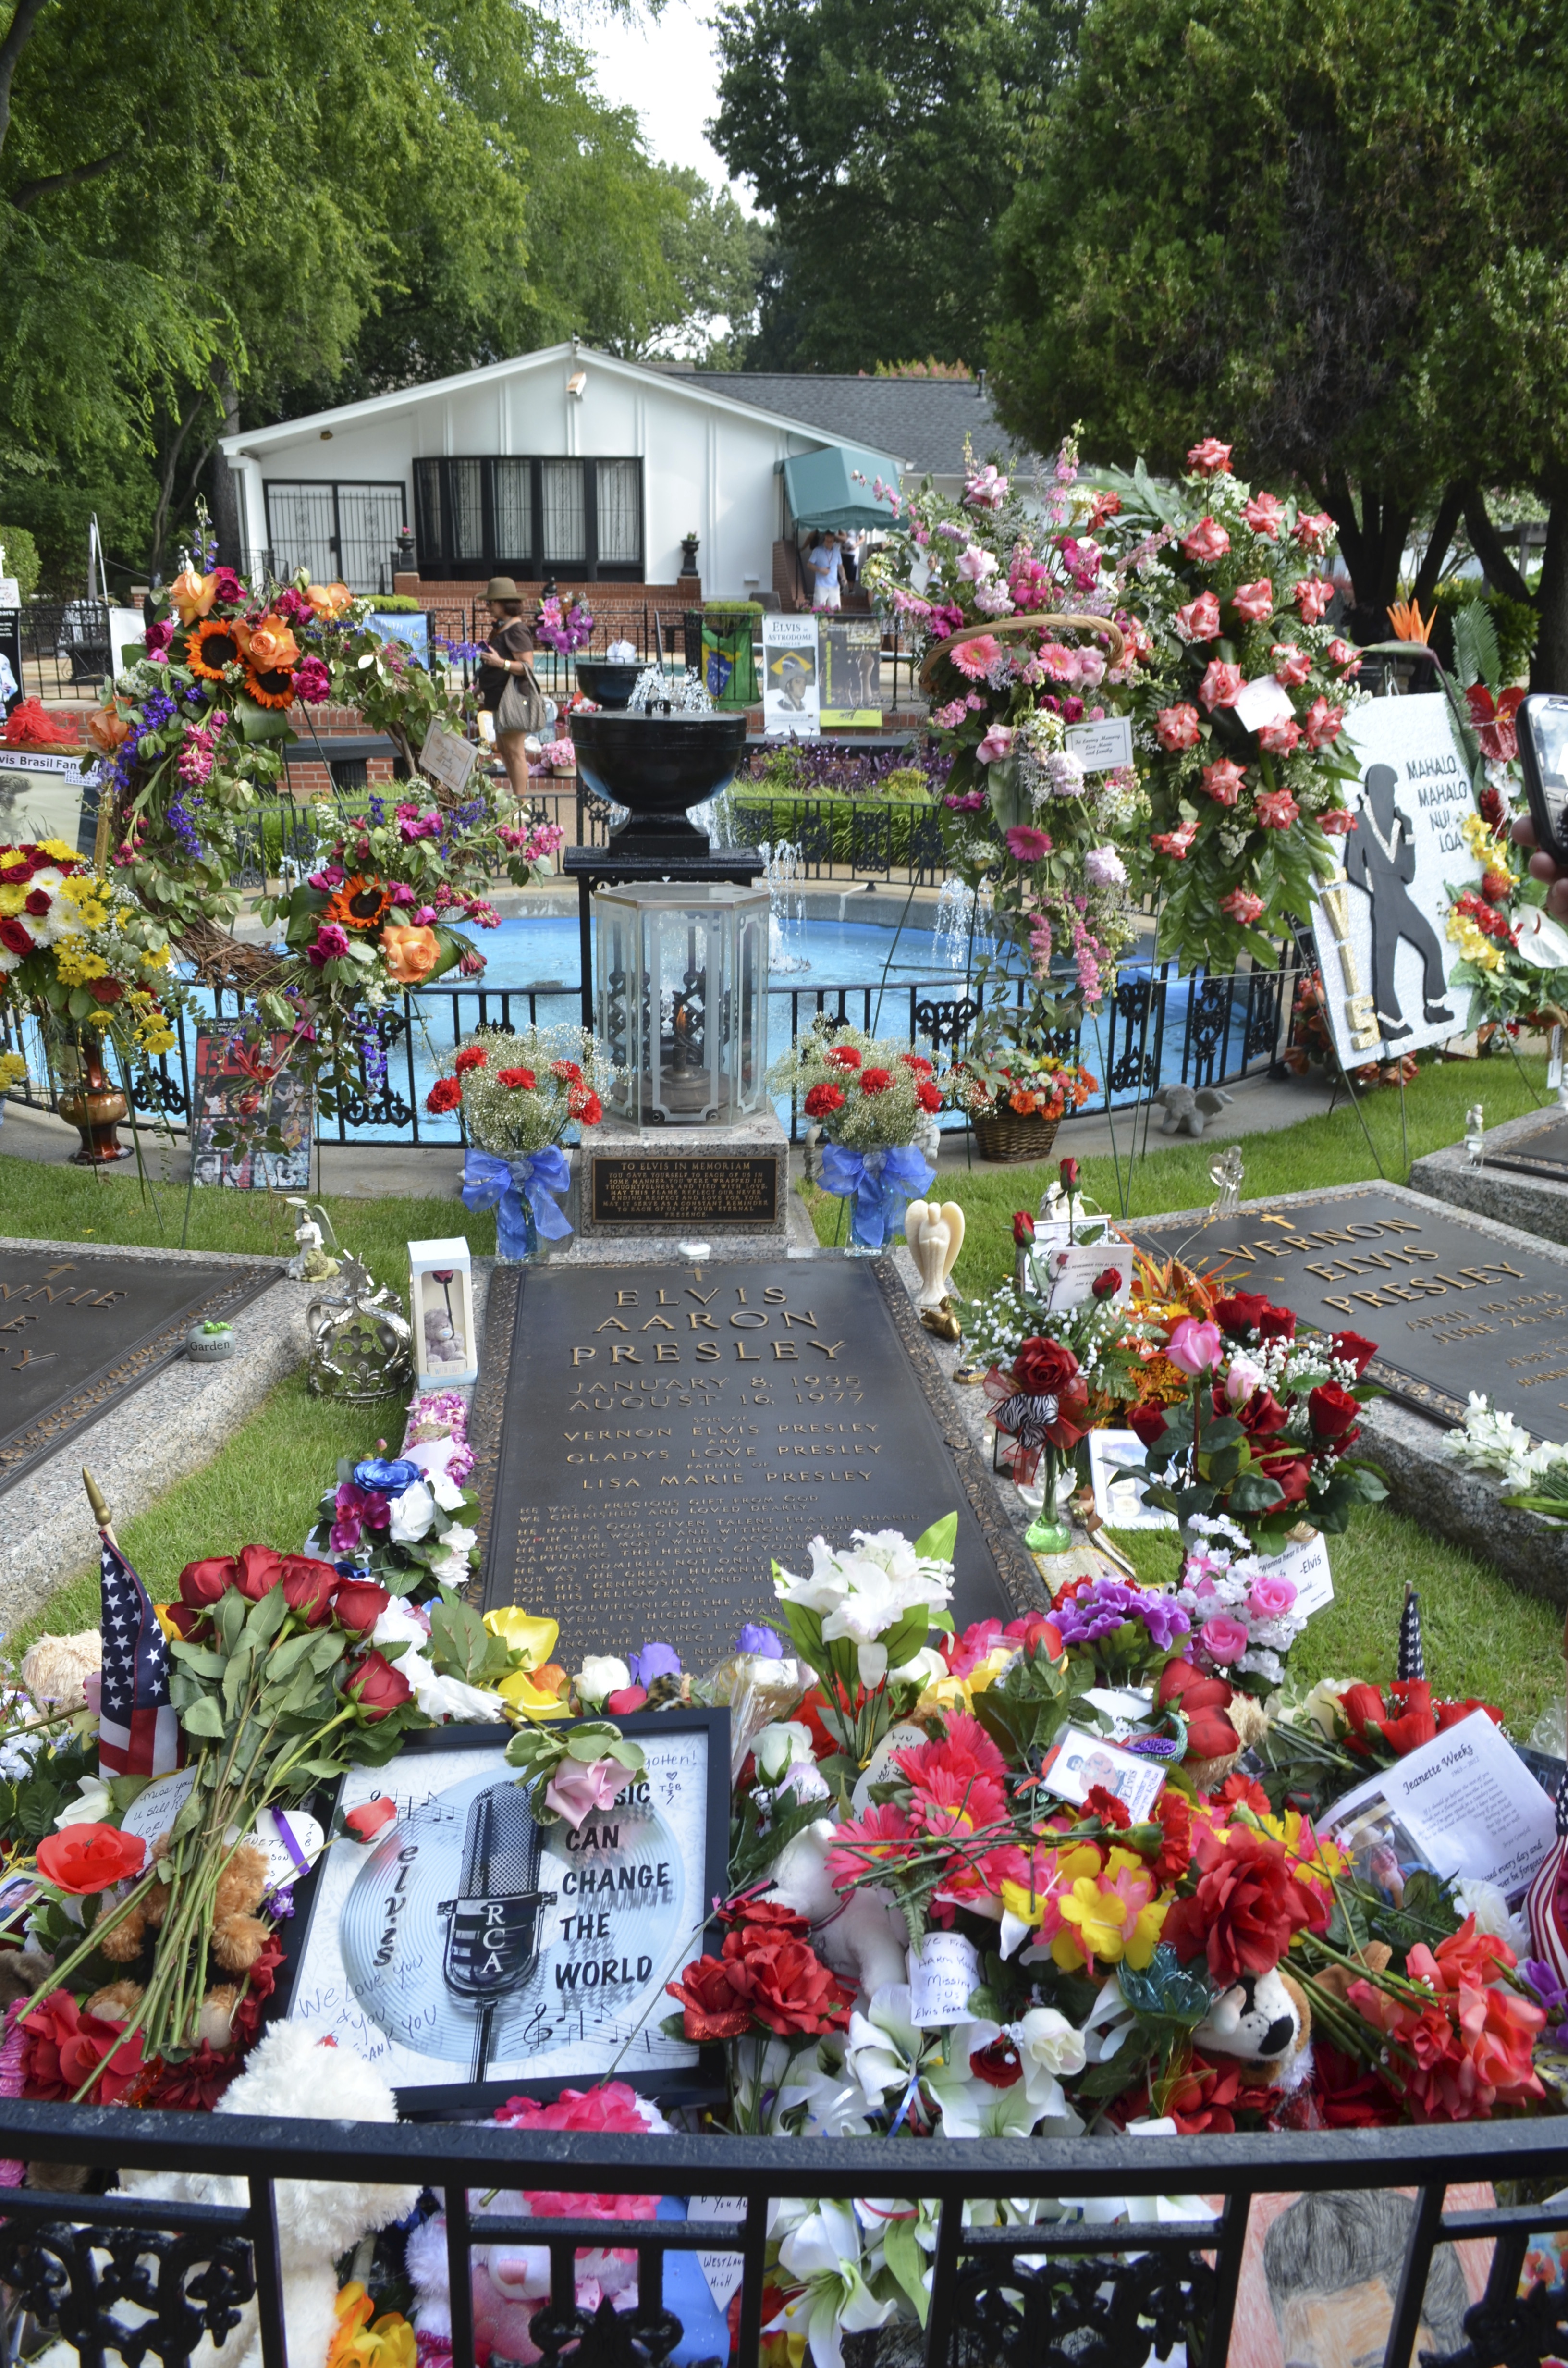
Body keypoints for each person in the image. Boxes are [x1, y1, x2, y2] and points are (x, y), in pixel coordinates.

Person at [478, 575, 541, 801]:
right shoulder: (501, 629)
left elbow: (527, 667)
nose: (487, 606)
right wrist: (478, 687)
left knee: (515, 752)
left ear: (504, 603)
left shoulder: (517, 630)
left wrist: (500, 663)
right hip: (498, 700)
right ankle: (517, 800)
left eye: (491, 602)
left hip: (512, 701)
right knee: (505, 750)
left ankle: (521, 804)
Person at [807, 531, 843, 612]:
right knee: (817, 611)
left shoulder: (837, 552)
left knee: (835, 611)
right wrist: (820, 570)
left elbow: (840, 567)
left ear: (834, 542)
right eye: (827, 541)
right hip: (821, 586)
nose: (829, 543)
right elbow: (809, 565)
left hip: (834, 586)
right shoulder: (817, 551)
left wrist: (843, 577)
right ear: (824, 541)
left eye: (831, 541)